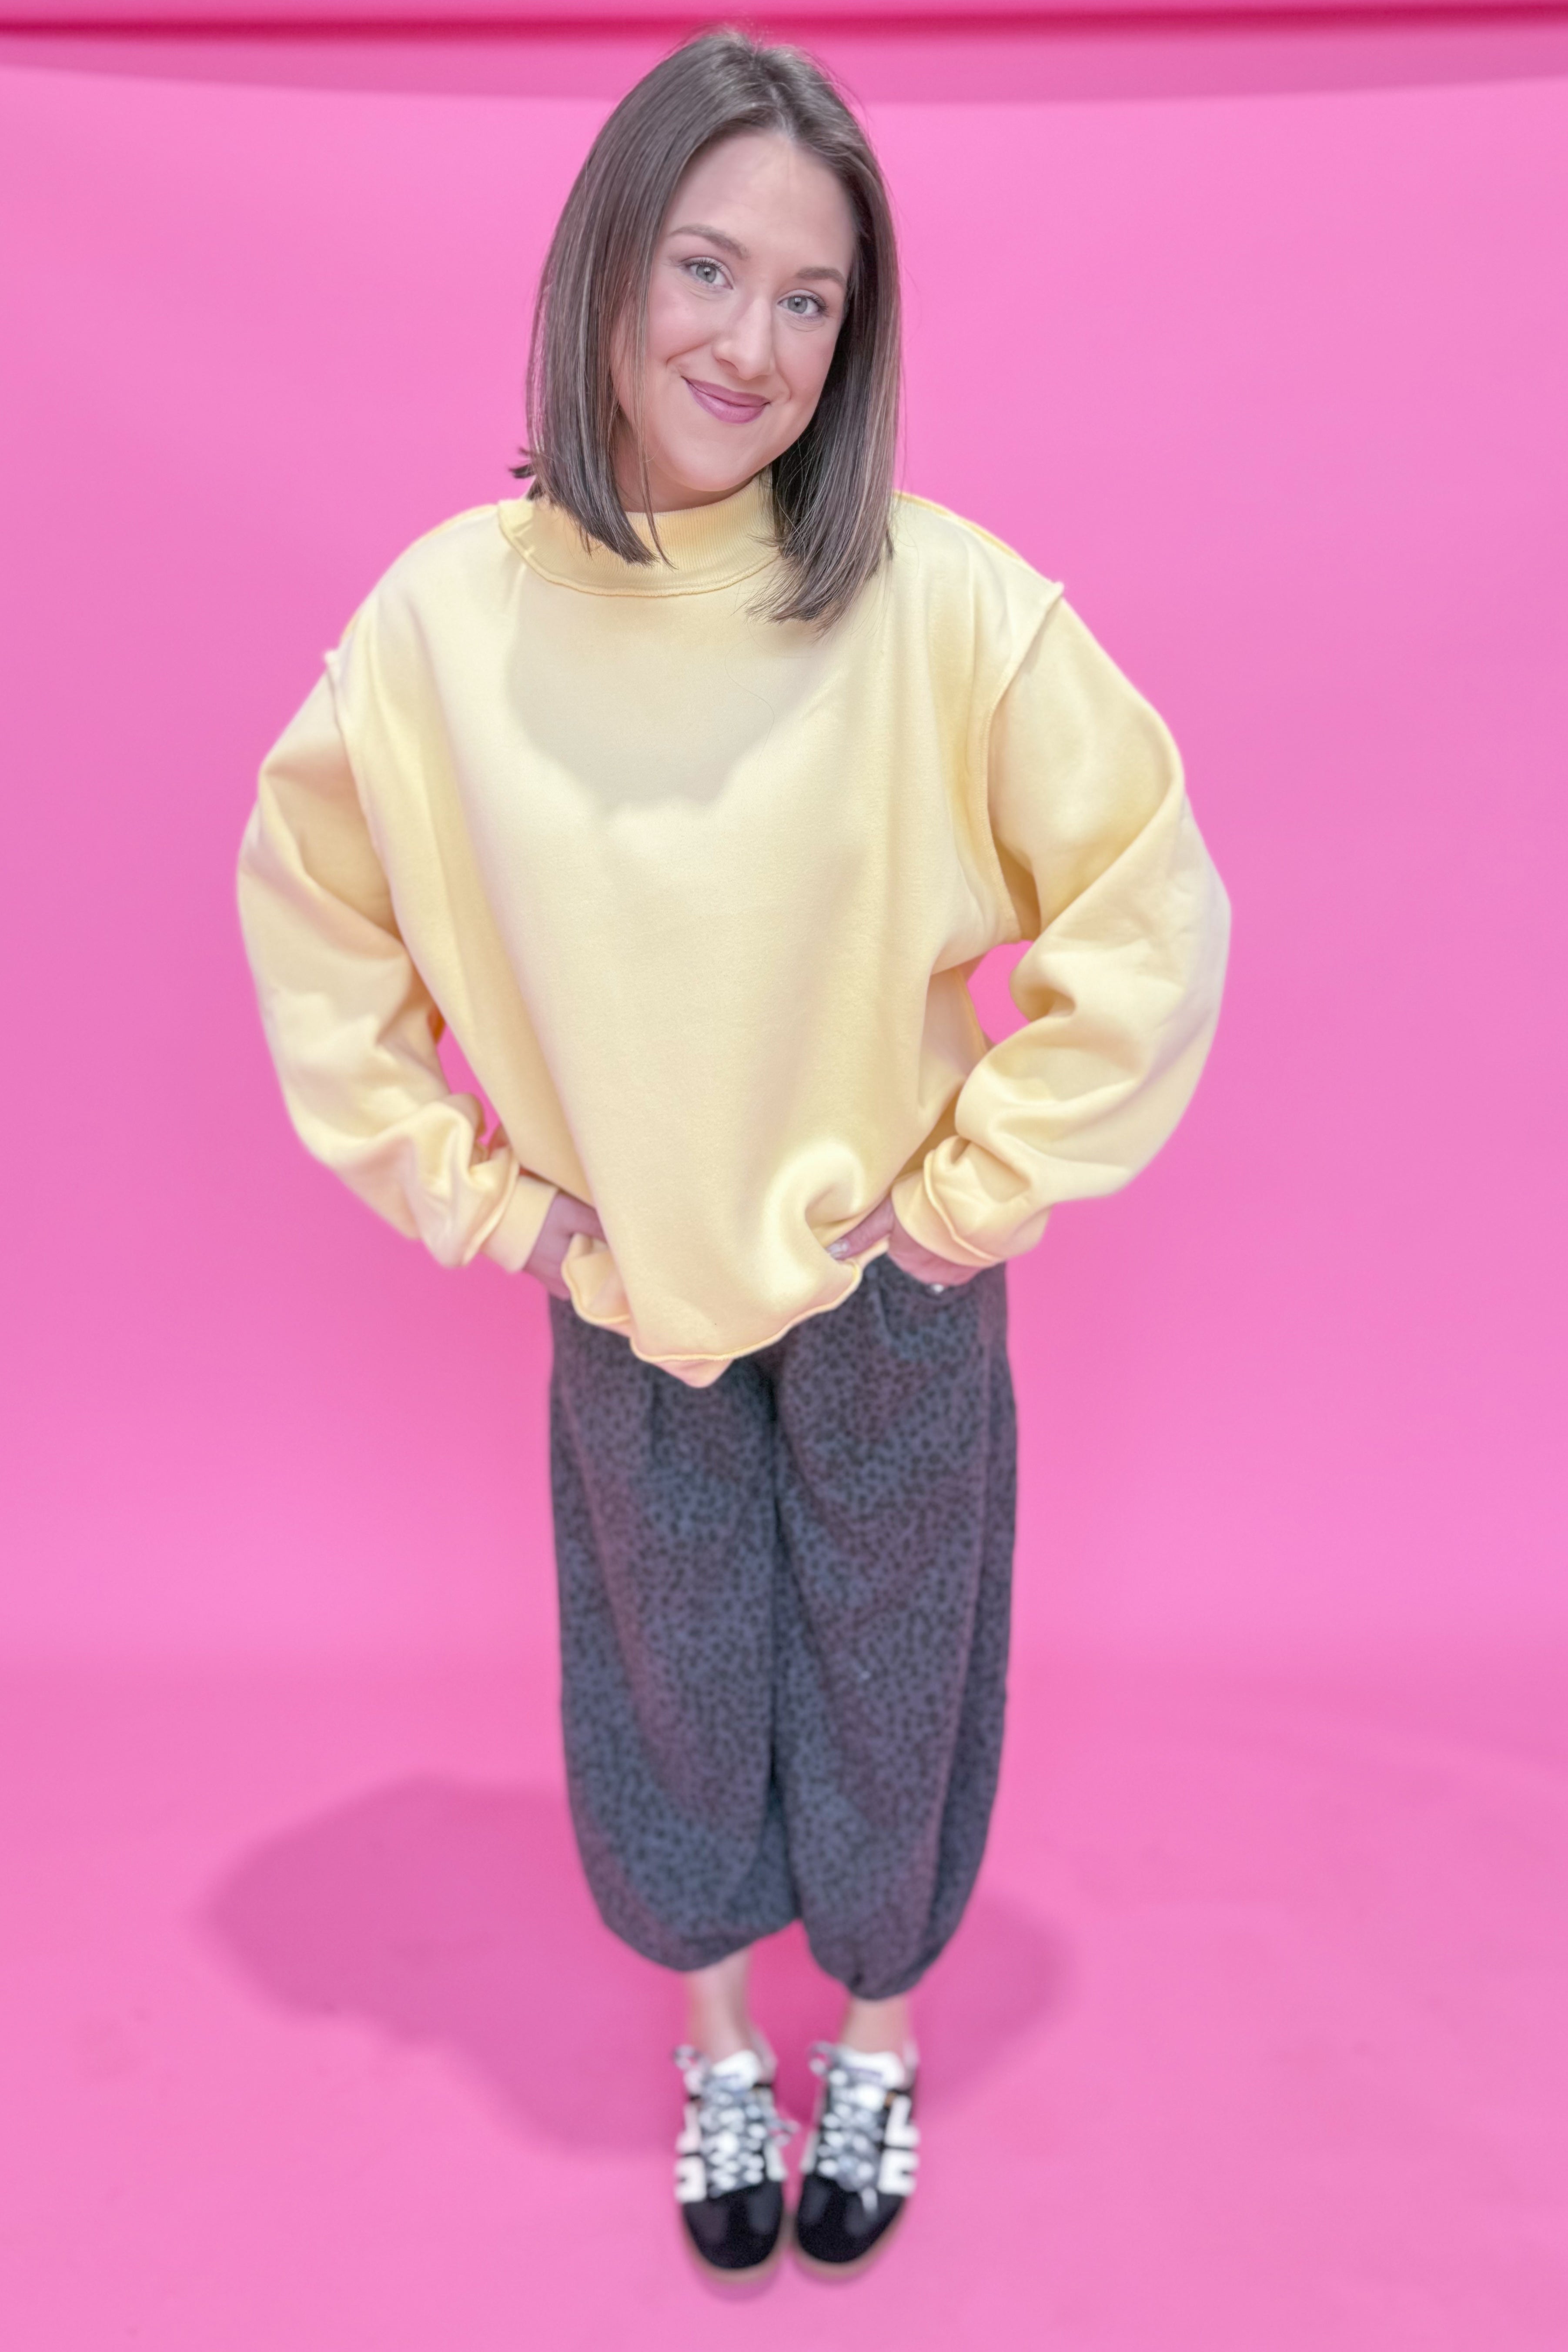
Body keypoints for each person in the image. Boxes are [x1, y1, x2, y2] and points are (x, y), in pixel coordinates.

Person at [236, 27, 1230, 2284]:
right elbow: (313, 920)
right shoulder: (442, 627)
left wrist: (962, 1207)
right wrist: (496, 1207)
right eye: (706, 267)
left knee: (897, 1675)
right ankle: (716, 2052)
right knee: (667, 1683)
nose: (751, 344)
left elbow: (1147, 910)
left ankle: (871, 2034)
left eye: (810, 299)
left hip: (887, 1282)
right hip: (626, 1283)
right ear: (605, 264)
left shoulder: (945, 607)